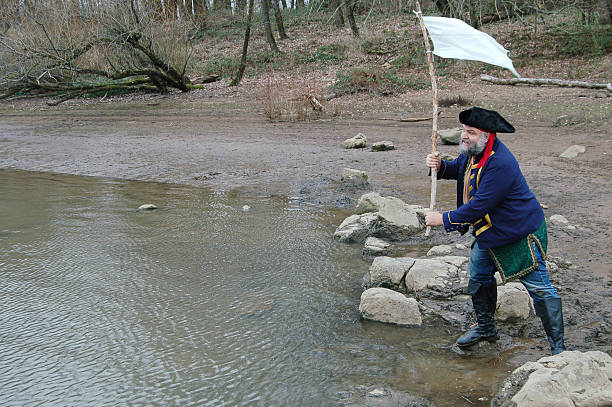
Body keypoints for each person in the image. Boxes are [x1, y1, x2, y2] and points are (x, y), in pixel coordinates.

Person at [424, 106, 566, 355]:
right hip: (489, 232)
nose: (464, 137)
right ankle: (486, 328)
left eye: (471, 132)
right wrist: (439, 167)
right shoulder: (474, 152)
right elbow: (458, 169)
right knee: (478, 276)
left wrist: (443, 219)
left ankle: (559, 349)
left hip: (519, 233)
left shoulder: (501, 163)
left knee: (540, 288)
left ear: (487, 135)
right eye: (463, 131)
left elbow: (479, 206)